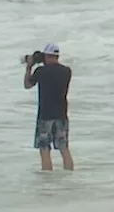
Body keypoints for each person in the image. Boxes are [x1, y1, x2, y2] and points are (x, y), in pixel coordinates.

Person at [24, 42, 74, 171]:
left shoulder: (41, 71)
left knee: (45, 150)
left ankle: (47, 182)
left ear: (46, 55)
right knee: (64, 148)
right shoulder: (67, 71)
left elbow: (27, 85)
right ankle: (69, 177)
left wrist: (29, 67)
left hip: (45, 115)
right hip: (62, 115)